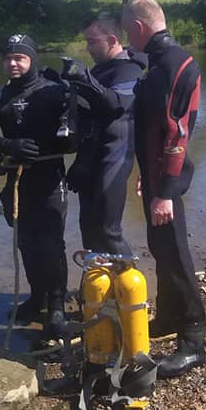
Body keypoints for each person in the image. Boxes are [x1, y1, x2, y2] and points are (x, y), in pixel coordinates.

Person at [121, 0, 206, 378]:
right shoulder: (158, 62)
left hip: (167, 181)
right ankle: (170, 315)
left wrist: (167, 190)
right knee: (160, 248)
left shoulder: (174, 64)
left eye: (127, 32)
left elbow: (177, 133)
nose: (127, 38)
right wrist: (148, 174)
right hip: (157, 175)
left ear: (139, 27)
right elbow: (155, 129)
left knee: (176, 253)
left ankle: (193, 339)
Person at [0, 33, 73, 338]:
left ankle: (56, 306)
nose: (13, 63)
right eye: (8, 58)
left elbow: (74, 134)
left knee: (51, 243)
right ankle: (37, 296)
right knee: (25, 241)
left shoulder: (54, 92)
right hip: (16, 180)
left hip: (50, 178)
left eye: (20, 57)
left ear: (32, 59)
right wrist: (6, 144)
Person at [61, 13, 146, 256]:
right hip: (90, 158)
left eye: (92, 41)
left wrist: (84, 77)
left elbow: (115, 104)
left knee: (109, 231)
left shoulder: (129, 70)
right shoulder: (101, 71)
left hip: (114, 159)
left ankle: (130, 291)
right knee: (89, 229)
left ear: (111, 39)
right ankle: (99, 290)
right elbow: (88, 113)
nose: (87, 48)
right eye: (86, 41)